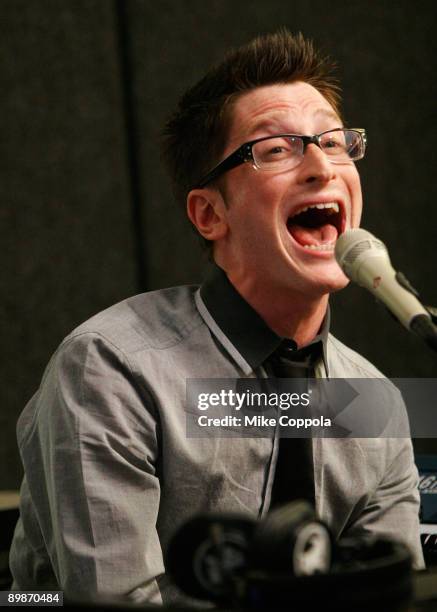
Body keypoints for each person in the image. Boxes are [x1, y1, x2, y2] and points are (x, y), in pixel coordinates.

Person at [9, 29, 423, 604]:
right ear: (209, 214)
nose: (320, 166)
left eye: (333, 141)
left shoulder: (375, 403)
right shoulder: (112, 370)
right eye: (277, 149)